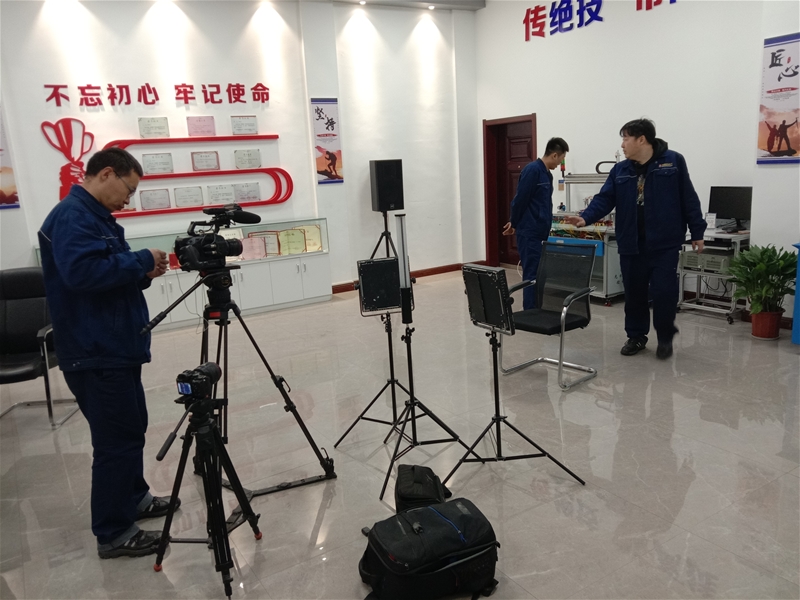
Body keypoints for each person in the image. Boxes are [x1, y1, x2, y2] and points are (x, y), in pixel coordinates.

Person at [38, 147, 180, 559]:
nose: (128, 200)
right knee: (116, 439)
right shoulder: (73, 217)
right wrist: (140, 259)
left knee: (131, 428)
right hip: (95, 349)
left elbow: (106, 273)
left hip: (115, 345)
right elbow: (82, 274)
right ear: (105, 174)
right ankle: (114, 531)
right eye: (128, 190)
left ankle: (134, 497)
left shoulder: (95, 217)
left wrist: (143, 272)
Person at [564, 119, 706, 359]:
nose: (622, 145)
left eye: (626, 139)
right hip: (631, 243)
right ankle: (636, 336)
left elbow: (688, 198)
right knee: (634, 294)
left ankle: (665, 337)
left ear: (642, 139)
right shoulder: (620, 170)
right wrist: (585, 217)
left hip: (664, 243)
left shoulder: (673, 161)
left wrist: (698, 231)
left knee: (663, 293)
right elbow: (604, 199)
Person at [502, 137, 569, 309]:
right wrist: (513, 222)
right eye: (561, 158)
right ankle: (530, 312)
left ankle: (537, 310)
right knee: (532, 274)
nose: (560, 163)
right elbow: (520, 200)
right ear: (554, 155)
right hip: (529, 232)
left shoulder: (547, 174)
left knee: (540, 274)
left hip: (541, 232)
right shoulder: (532, 170)